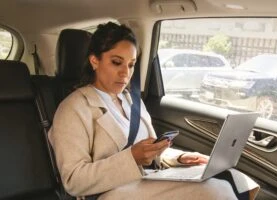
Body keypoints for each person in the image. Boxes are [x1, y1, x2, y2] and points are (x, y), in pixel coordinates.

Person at [48, 22, 259, 200]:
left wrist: (180, 157)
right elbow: (73, 181)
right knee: (214, 191)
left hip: (147, 180)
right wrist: (132, 158)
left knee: (234, 178)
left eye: (131, 65)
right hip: (110, 193)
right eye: (116, 62)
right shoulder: (74, 108)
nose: (125, 73)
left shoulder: (130, 101)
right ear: (95, 61)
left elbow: (149, 150)